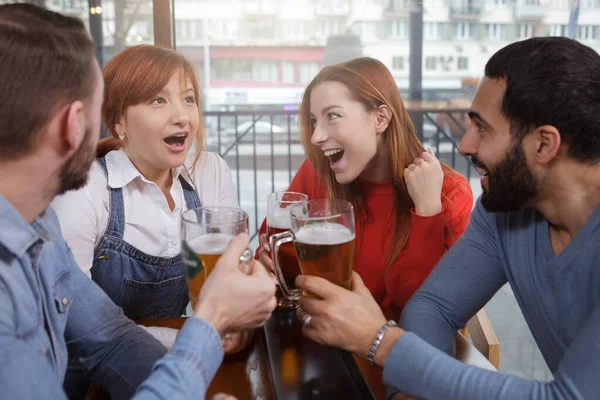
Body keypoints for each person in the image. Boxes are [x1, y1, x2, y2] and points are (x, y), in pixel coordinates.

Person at [294, 37, 600, 399]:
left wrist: (379, 341)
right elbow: (433, 305)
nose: (464, 145)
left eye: (482, 128)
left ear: (544, 145)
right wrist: (406, 391)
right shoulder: (504, 211)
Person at [0, 4, 275, 400]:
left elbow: (110, 338)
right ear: (74, 124)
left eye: (187, 99)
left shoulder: (38, 230)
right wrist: (212, 321)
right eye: (100, 112)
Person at [51, 45, 254, 356]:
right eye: (158, 100)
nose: (182, 116)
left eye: (188, 99)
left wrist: (236, 322)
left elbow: (231, 278)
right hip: (93, 372)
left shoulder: (209, 171)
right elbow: (74, 321)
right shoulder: (86, 189)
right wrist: (189, 340)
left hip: (188, 356)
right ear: (119, 121)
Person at [257, 57, 473, 309]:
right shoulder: (317, 172)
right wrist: (265, 263)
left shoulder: (448, 193)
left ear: (380, 119)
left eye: (333, 116)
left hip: (395, 346)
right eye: (314, 120)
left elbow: (425, 309)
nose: (316, 136)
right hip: (320, 336)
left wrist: (427, 210)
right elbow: (267, 249)